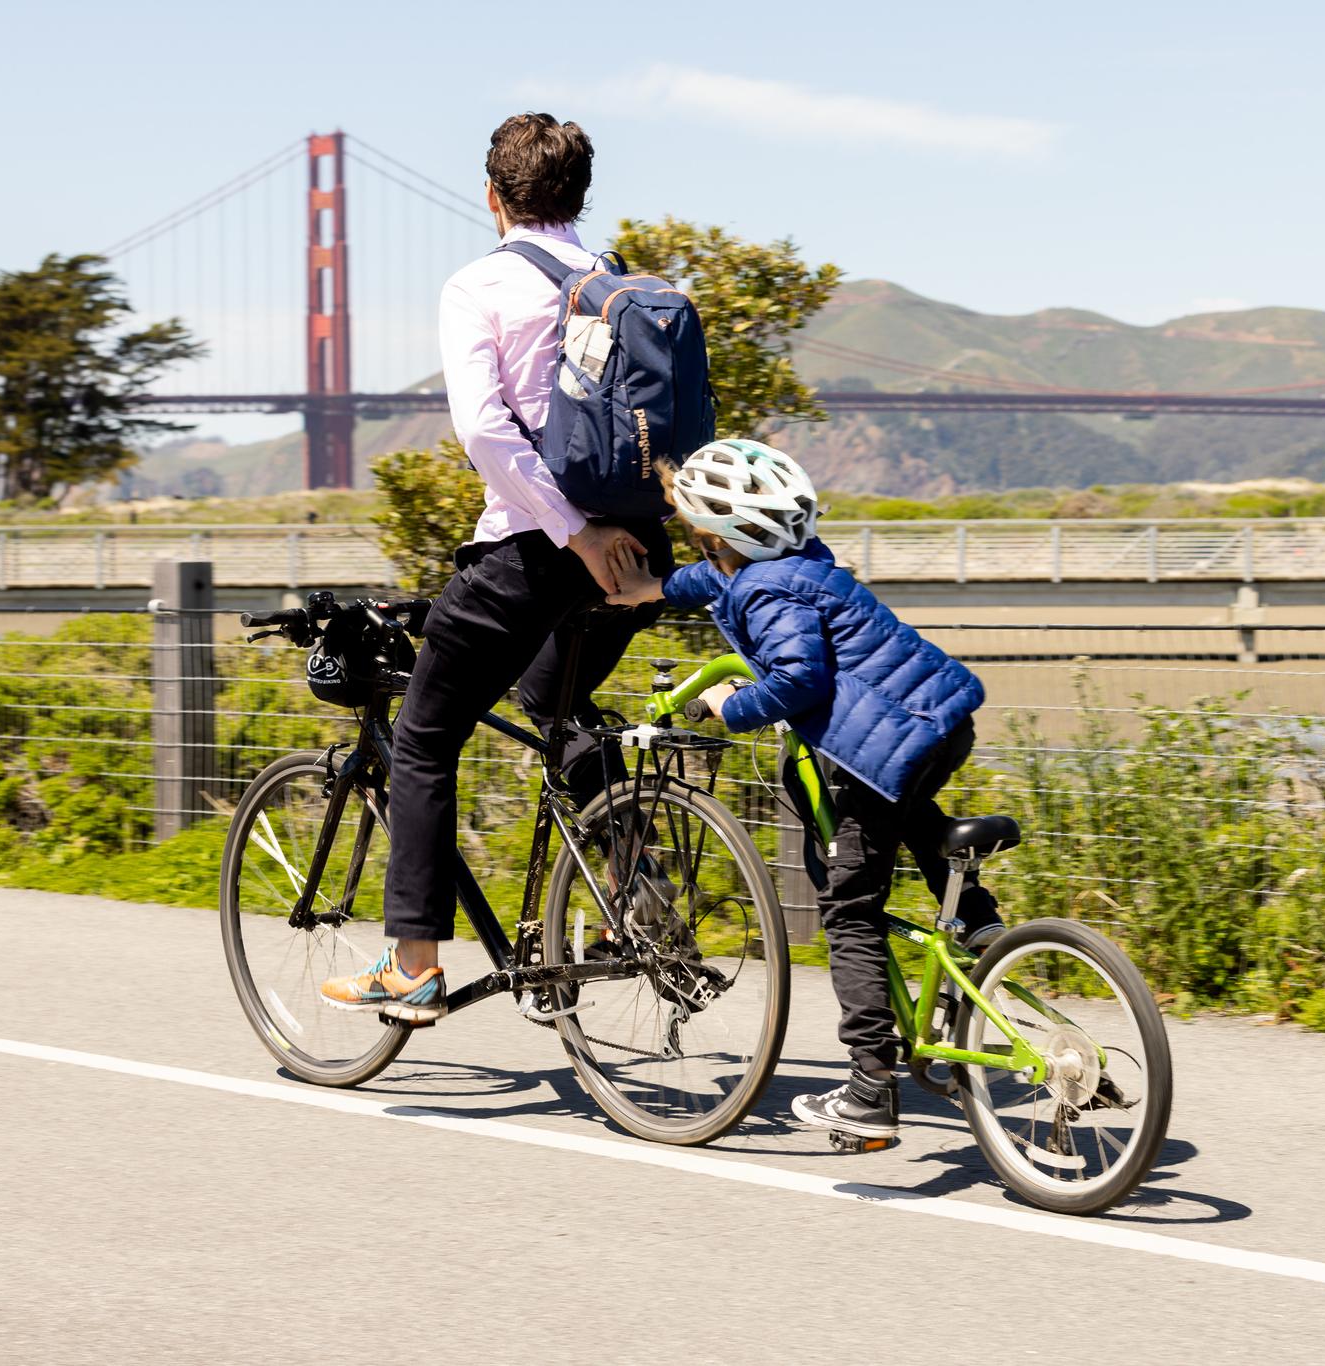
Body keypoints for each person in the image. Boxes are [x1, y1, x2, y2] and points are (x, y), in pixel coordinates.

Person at [319, 112, 669, 1021]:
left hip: (537, 555)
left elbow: (482, 429)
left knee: (428, 737)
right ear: (580, 197)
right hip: (640, 554)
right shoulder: (618, 282)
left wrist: (568, 531)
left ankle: (415, 965)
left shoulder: (479, 285)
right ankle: (631, 896)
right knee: (554, 705)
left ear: (492, 196)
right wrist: (610, 537)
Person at [606, 440, 1003, 1141]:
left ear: (710, 537)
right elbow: (716, 583)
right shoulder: (802, 565)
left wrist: (732, 705)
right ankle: (977, 919)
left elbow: (799, 679)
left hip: (877, 747)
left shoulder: (758, 589)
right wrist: (653, 590)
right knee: (909, 802)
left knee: (850, 908)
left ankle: (870, 1091)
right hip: (940, 721)